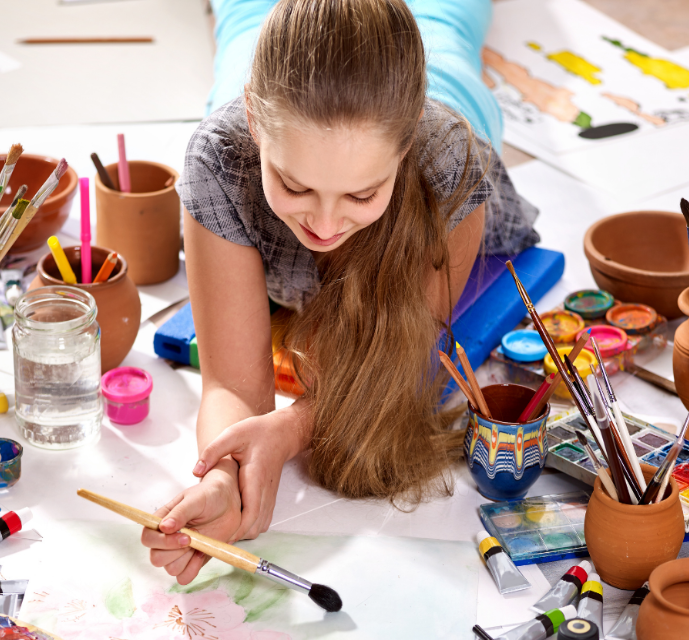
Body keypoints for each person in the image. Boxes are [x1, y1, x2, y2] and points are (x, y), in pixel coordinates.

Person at [142, 0, 539, 585]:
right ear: (254, 119)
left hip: (443, 73)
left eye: (361, 195)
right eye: (294, 184)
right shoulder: (221, 159)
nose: (325, 226)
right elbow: (230, 383)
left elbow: (401, 367)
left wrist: (292, 428)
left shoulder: (448, 164)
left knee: (451, 19)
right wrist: (222, 476)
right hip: (263, 60)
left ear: (403, 153)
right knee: (242, 16)